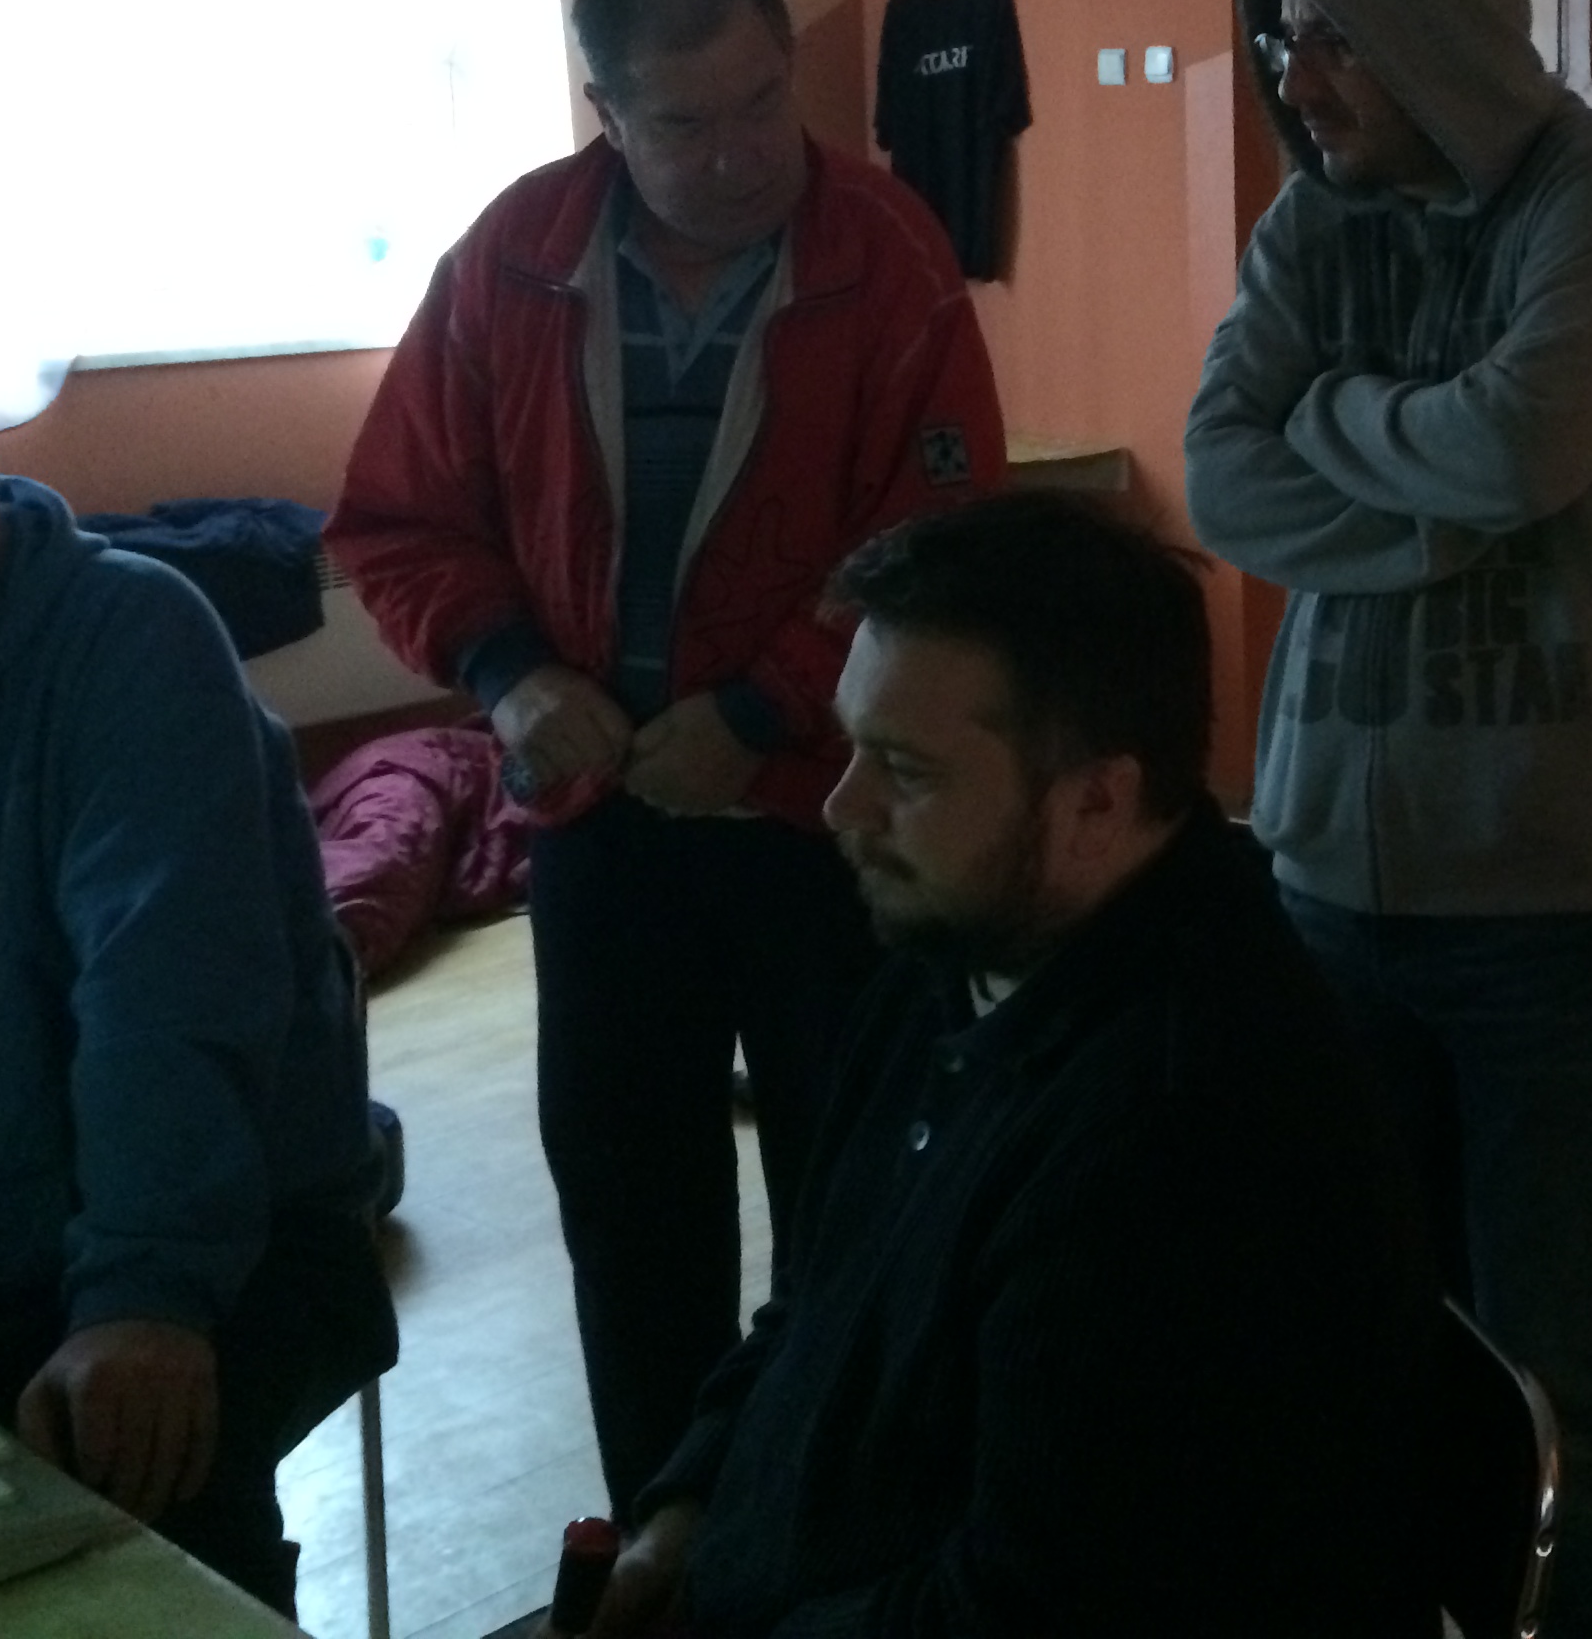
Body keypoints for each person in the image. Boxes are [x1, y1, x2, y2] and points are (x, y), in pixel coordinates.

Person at [328, 0, 1006, 1512]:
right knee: (631, 1216)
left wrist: (763, 710)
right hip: (599, 821)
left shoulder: (889, 256)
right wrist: (511, 674)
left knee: (862, 1201)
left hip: (831, 823)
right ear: (606, 113)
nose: (742, 153)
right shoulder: (510, 260)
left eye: (764, 103)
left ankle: (842, 1537)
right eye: (686, 123)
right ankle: (663, 1539)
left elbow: (936, 543)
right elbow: (400, 520)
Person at [563, 492, 1435, 1638]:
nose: (841, 807)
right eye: (850, 746)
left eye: (905, 771)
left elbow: (1024, 1608)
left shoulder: (1183, 1135)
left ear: (1097, 802)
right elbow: (817, 1309)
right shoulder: (956, 952)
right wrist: (681, 1515)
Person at [1185, 0, 1592, 1638]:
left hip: (1545, 905)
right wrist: (1428, 503)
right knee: (1360, 1331)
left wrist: (1332, 414)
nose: (1297, 74)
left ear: (1439, 37)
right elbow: (1221, 476)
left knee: (1563, 1359)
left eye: (1335, 39)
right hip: (1322, 888)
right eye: (1285, 36)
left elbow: (1518, 449)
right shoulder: (1310, 222)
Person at [0, 357, 393, 1617]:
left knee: (137, 1556)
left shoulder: (129, 643)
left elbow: (167, 993)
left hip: (187, 1241)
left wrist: (144, 1294)